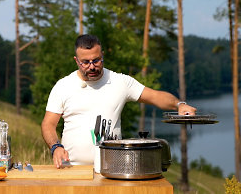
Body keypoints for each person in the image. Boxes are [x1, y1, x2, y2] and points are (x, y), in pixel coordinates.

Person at [41, 34, 197, 169]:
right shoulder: (63, 86)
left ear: (102, 55)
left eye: (96, 60)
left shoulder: (120, 82)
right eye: (85, 62)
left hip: (113, 169)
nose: (92, 66)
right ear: (76, 61)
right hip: (72, 169)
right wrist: (56, 147)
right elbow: (48, 124)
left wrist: (179, 105)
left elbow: (156, 96)